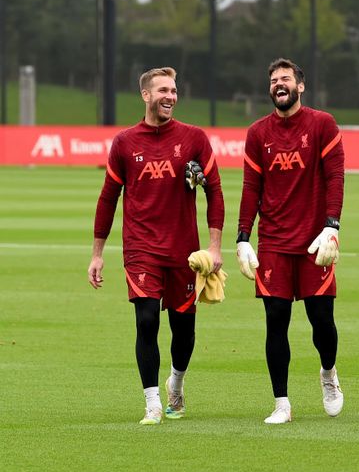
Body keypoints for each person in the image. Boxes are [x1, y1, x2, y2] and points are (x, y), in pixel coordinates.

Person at [87, 66, 224, 425]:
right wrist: (97, 254)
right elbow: (107, 198)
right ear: (146, 95)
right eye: (163, 90)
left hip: (185, 252)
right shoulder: (124, 142)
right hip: (141, 249)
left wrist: (214, 247)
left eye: (174, 90)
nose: (170, 96)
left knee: (183, 328)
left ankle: (175, 385)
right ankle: (151, 401)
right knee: (146, 320)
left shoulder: (194, 138)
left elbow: (216, 190)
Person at [236, 57, 345, 424]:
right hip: (273, 244)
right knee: (276, 319)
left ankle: (328, 372)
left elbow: (335, 177)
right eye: (273, 80)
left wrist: (332, 226)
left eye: (285, 79)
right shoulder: (257, 133)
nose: (278, 84)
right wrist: (242, 237)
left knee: (321, 321)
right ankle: (281, 402)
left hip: (316, 242)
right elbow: (251, 187)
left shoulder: (322, 124)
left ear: (300, 86)